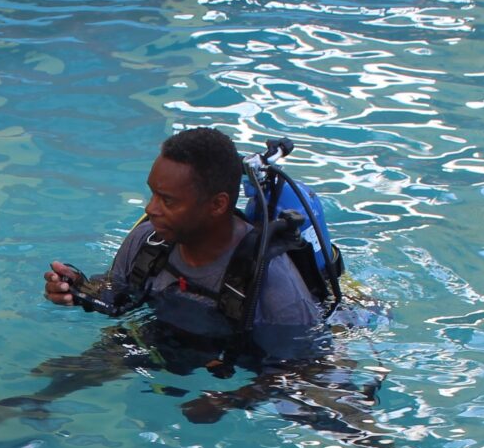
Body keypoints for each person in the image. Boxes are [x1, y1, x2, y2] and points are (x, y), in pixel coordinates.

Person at [43, 127, 329, 366]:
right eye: (153, 193)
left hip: (240, 362)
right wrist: (78, 290)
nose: (150, 208)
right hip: (169, 337)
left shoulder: (272, 283)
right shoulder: (147, 241)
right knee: (58, 374)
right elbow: (116, 291)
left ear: (217, 205)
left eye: (167, 201)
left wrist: (229, 399)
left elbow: (302, 368)